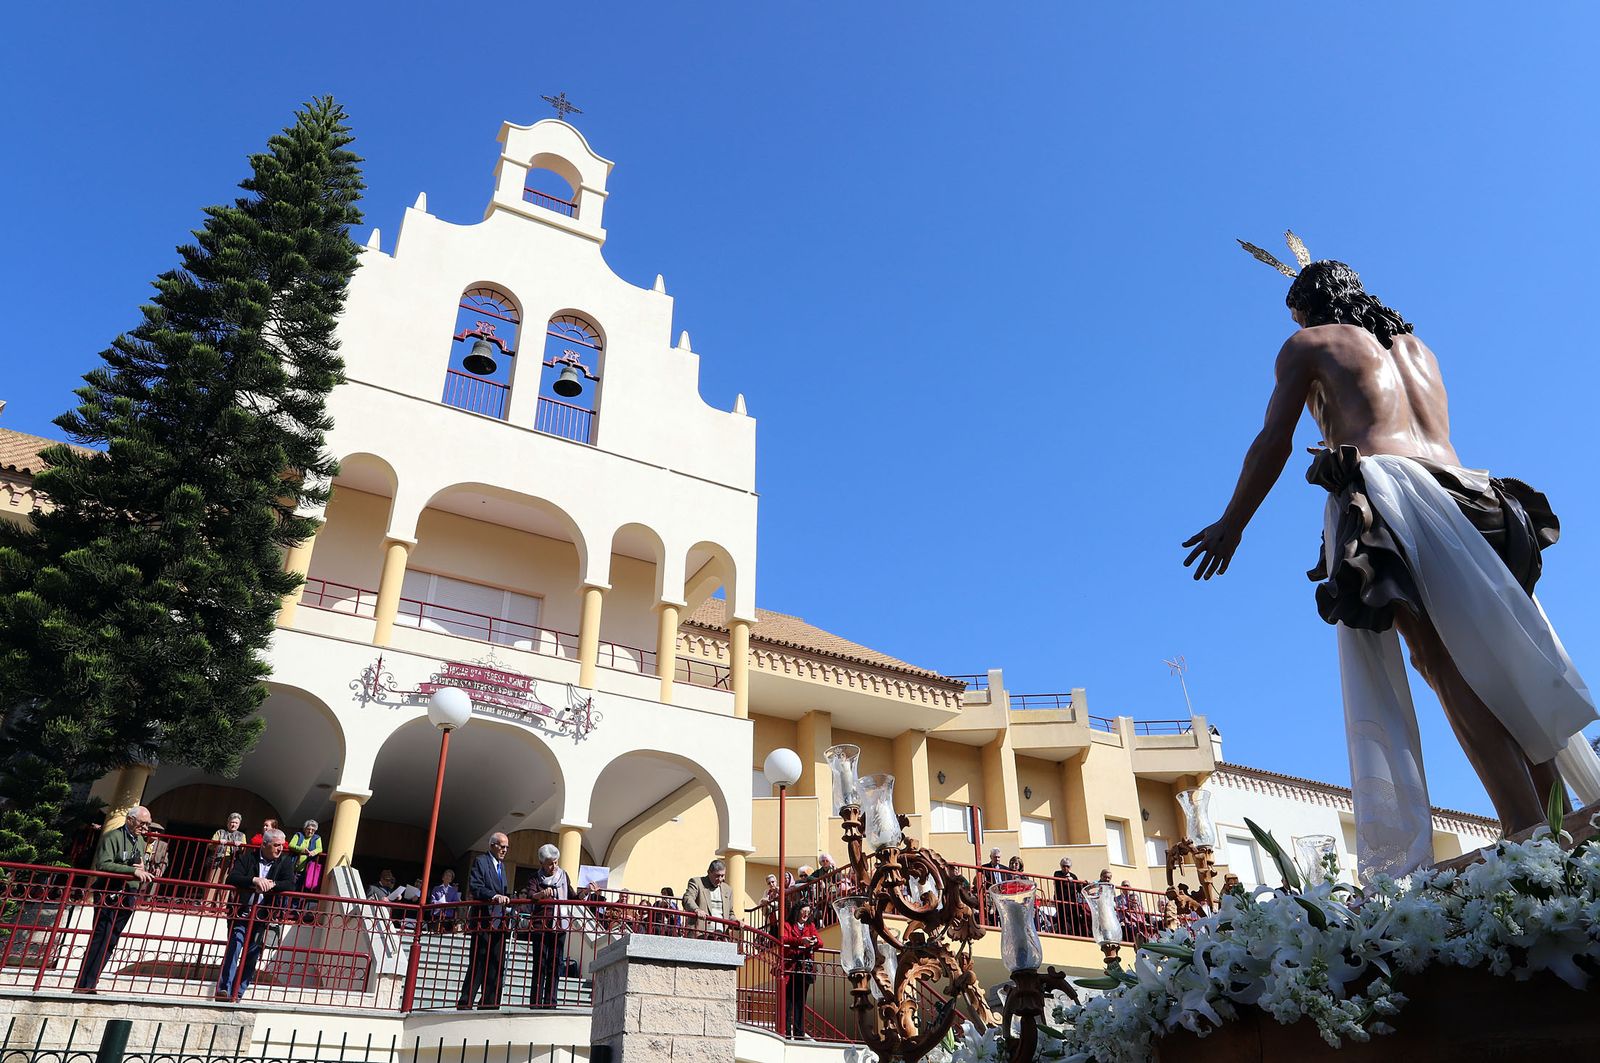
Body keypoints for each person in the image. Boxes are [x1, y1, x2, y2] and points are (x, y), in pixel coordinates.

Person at [1186, 240, 1600, 874]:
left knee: (1441, 659)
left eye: (1295, 314)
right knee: (1503, 654)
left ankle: (1522, 820)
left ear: (1305, 309)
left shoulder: (1310, 345)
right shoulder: (1417, 347)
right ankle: (1553, 810)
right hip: (1478, 497)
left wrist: (1232, 523)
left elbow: (1275, 438)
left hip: (1395, 496)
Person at [74, 805, 154, 993]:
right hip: (109, 891)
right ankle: (84, 983)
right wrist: (132, 870)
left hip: (129, 894)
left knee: (112, 939)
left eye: (147, 825)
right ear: (130, 819)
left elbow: (137, 864)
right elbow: (103, 864)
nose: (145, 828)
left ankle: (93, 980)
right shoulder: (112, 837)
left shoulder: (140, 841)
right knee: (101, 936)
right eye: (142, 824)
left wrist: (140, 868)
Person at [214, 827, 296, 1000]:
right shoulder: (247, 858)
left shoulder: (284, 862)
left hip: (262, 916)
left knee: (252, 955)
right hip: (241, 912)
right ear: (265, 844)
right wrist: (253, 881)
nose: (280, 849)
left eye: (282, 846)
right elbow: (233, 877)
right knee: (234, 947)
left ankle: (238, 992)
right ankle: (224, 990)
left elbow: (289, 884)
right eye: (276, 845)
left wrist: (272, 884)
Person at [458, 834, 512, 1010]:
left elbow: (503, 889)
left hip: (499, 922)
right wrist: (494, 896)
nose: (504, 850)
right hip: (484, 919)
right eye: (502, 846)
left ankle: (489, 1003)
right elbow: (476, 887)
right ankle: (466, 1002)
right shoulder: (481, 862)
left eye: (507, 847)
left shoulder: (502, 867)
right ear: (492, 845)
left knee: (496, 962)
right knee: (479, 961)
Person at [524, 842, 572, 1008]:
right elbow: (530, 895)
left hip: (560, 926)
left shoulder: (563, 876)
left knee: (555, 964)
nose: (554, 866)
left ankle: (551, 1002)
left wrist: (585, 892)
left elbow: (571, 895)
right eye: (550, 863)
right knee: (540, 964)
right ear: (542, 864)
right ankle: (535, 1002)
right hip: (541, 926)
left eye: (556, 862)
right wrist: (541, 894)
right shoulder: (535, 878)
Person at [780, 899, 821, 1041]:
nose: (806, 914)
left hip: (804, 968)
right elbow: (784, 940)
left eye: (808, 912)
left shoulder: (811, 925)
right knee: (788, 1002)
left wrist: (814, 942)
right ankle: (786, 1032)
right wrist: (801, 941)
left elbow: (820, 942)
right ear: (797, 911)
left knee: (800, 1002)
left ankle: (799, 1034)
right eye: (804, 911)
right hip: (790, 967)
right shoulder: (787, 925)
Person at [682, 859, 735, 937]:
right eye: (717, 876)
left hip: (721, 936)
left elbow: (730, 913)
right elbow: (687, 898)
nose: (720, 879)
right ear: (709, 872)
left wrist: (736, 921)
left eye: (722, 875)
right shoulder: (697, 882)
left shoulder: (728, 889)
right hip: (700, 933)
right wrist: (697, 909)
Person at [207, 813, 247, 903]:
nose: (234, 824)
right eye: (232, 822)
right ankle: (207, 905)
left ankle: (221, 907)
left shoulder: (241, 835)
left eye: (236, 823)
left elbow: (243, 849)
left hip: (231, 862)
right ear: (228, 822)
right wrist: (218, 842)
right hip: (218, 860)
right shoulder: (220, 832)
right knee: (212, 882)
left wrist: (240, 845)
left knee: (226, 884)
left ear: (239, 824)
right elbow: (210, 845)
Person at [288, 820, 324, 894]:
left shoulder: (317, 838)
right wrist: (302, 850)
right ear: (305, 829)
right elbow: (291, 845)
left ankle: (296, 905)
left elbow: (320, 848)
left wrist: (313, 852)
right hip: (293, 867)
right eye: (308, 829)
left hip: (307, 869)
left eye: (313, 830)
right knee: (289, 889)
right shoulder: (298, 835)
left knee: (301, 890)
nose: (310, 831)